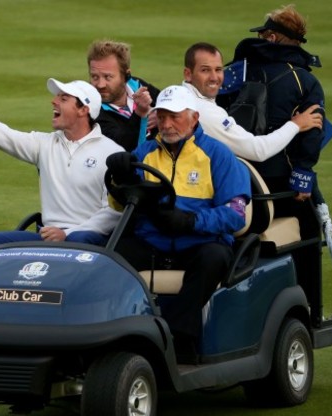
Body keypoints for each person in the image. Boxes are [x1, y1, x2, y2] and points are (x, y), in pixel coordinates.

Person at [107, 85, 251, 363]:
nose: (167, 124)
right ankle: (114, 336)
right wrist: (118, 179)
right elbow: (118, 205)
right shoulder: (146, 151)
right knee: (109, 258)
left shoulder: (218, 155)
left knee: (215, 258)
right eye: (161, 117)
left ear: (194, 117)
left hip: (198, 241)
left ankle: (178, 338)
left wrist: (191, 221)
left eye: (174, 117)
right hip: (154, 239)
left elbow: (235, 214)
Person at [0, 78, 124, 255]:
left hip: (88, 239)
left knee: (78, 239)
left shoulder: (111, 152)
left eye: (63, 99)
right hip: (48, 238)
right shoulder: (45, 144)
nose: (54, 102)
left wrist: (67, 233)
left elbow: (114, 212)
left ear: (83, 110)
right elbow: (3, 136)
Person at [226, 4, 326, 235]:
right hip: (282, 179)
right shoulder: (305, 80)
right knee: (309, 231)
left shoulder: (233, 71)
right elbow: (314, 132)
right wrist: (303, 174)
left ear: (270, 37)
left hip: (235, 177)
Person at [182, 42, 323, 163]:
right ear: (188, 74)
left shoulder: (180, 96)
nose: (214, 77)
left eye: (218, 69)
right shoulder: (204, 111)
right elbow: (258, 151)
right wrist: (295, 125)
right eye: (205, 70)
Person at [87, 39, 161, 151]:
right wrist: (139, 115)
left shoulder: (137, 85)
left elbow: (175, 104)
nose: (100, 85)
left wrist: (162, 114)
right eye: (95, 77)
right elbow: (122, 147)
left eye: (108, 77)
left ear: (126, 76)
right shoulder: (90, 111)